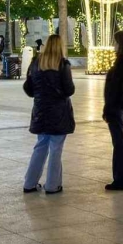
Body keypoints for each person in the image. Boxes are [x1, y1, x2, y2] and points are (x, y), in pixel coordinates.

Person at [22, 33, 75, 194]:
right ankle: (52, 185)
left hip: (40, 111)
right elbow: (69, 89)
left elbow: (28, 88)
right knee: (56, 149)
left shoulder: (37, 63)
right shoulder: (63, 65)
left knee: (40, 146)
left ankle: (29, 183)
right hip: (59, 112)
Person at [103, 30, 123, 191]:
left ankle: (122, 179)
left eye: (115, 42)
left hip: (116, 108)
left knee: (119, 144)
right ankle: (121, 178)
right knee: (119, 143)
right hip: (119, 107)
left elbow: (118, 89)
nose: (113, 45)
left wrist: (111, 108)